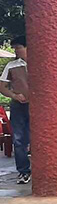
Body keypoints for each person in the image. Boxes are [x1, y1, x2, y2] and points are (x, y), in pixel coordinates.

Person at [0, 36, 30, 184]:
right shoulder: (11, 66)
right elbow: (2, 86)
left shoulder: (40, 63)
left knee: (38, 138)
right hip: (18, 105)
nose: (16, 51)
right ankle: (23, 171)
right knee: (18, 139)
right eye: (15, 48)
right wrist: (14, 95)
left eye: (18, 47)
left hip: (37, 106)